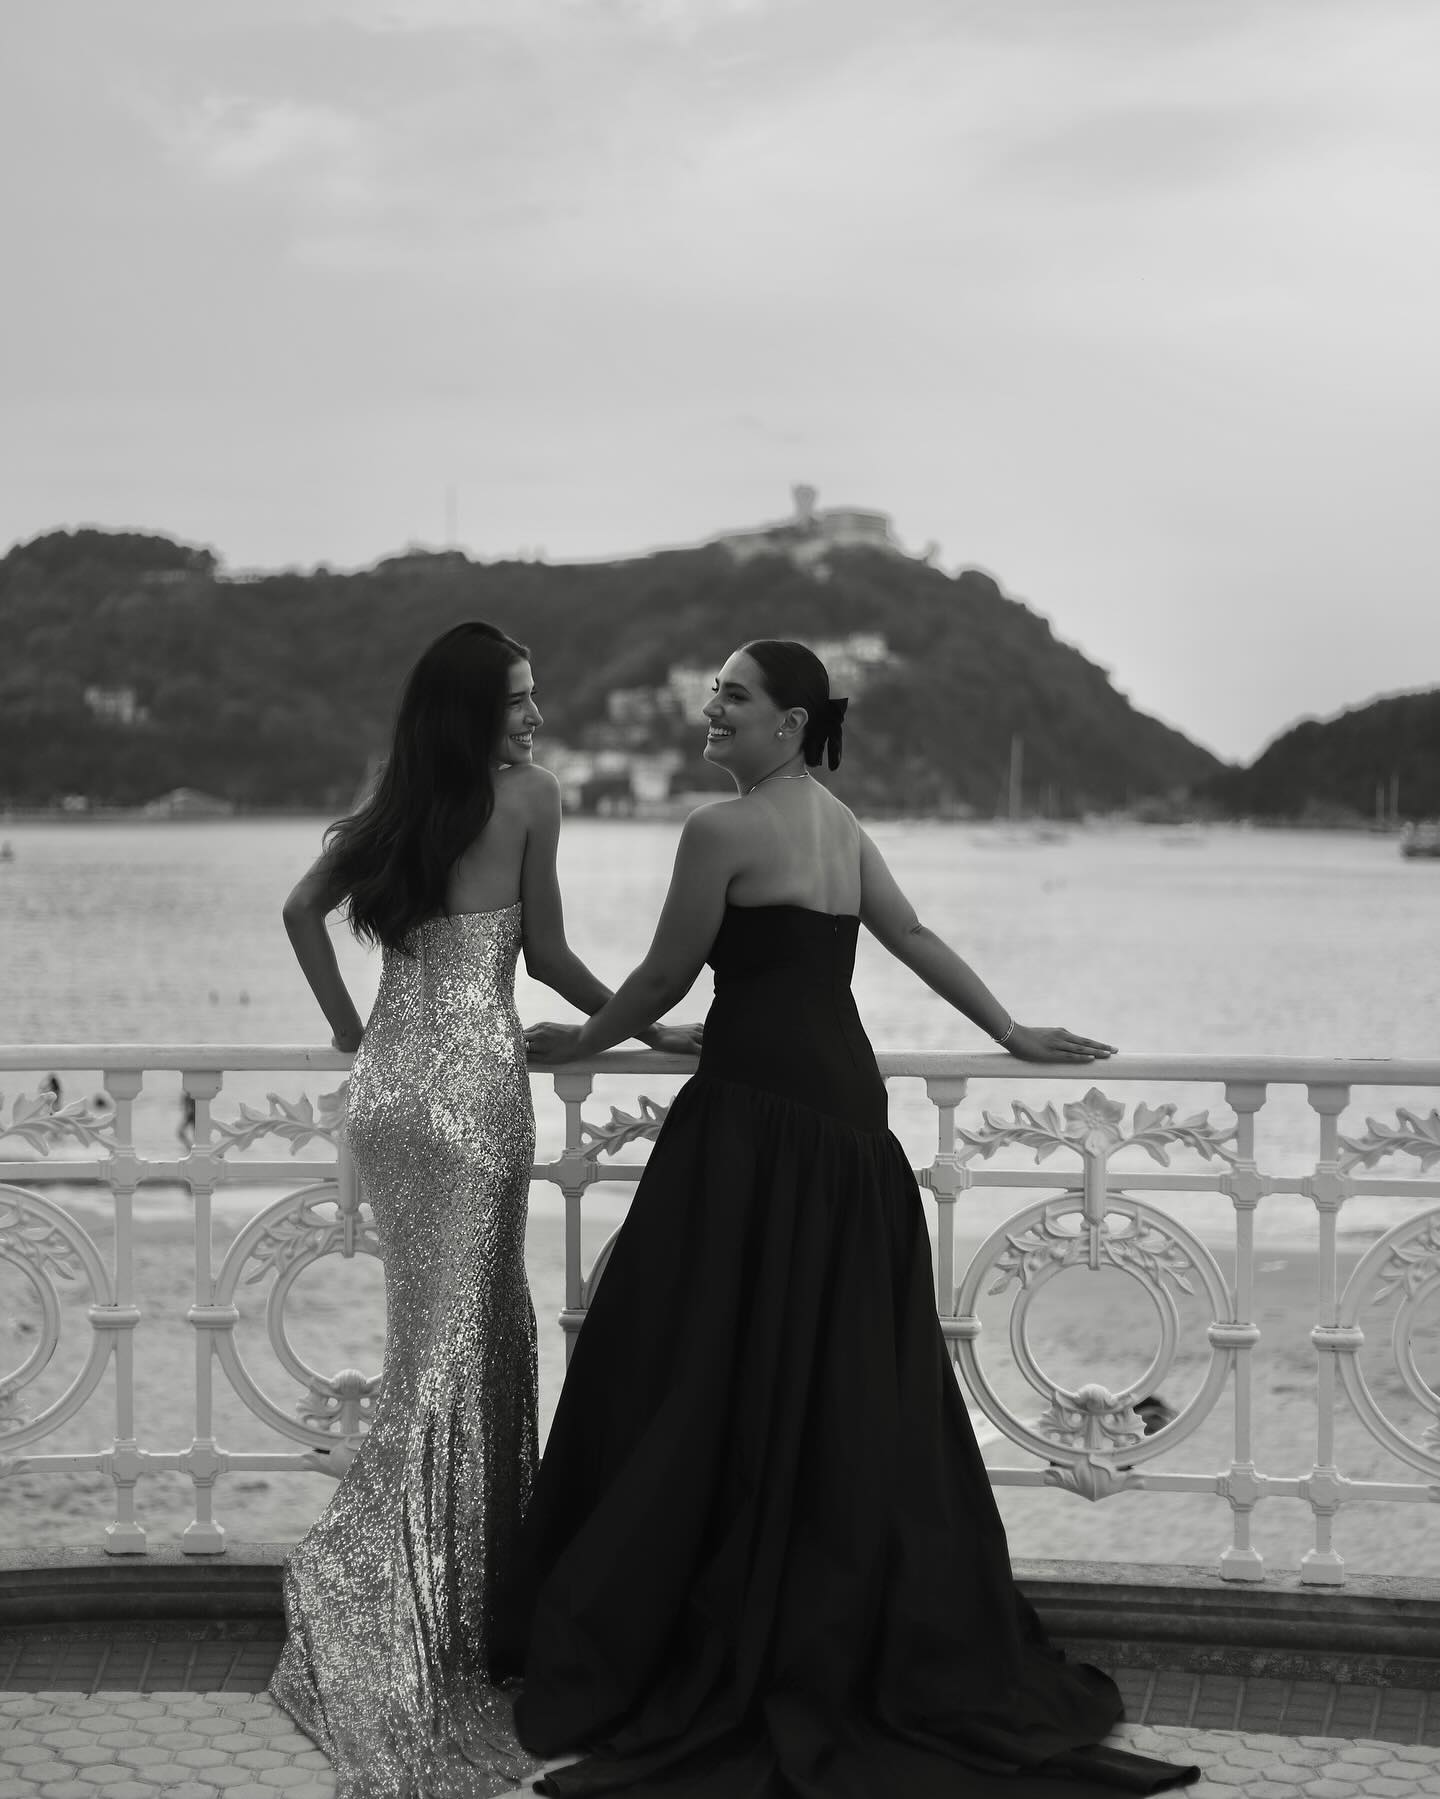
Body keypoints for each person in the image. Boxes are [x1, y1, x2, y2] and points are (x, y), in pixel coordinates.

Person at [503, 641, 1198, 1797]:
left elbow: (667, 978)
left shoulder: (720, 830)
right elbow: (912, 937)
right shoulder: (838, 821)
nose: (711, 706)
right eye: (714, 690)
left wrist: (581, 1040)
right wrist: (1012, 1029)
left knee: (695, 1356)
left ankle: (684, 1615)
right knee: (828, 1374)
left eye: (733, 694)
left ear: (789, 722)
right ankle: (812, 1607)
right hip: (849, 1117)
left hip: (756, 1115)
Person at [269, 620, 700, 1799]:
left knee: (438, 1345)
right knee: (468, 1349)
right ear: (472, 710)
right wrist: (645, 1029)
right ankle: (401, 1602)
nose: (536, 716)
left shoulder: (397, 802)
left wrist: (351, 1032)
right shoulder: (532, 797)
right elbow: (546, 956)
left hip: (390, 1091)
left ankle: (449, 1598)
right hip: (472, 1095)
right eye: (516, 698)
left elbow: (302, 912)